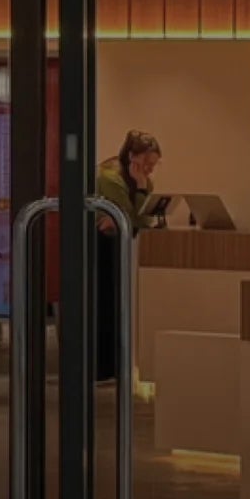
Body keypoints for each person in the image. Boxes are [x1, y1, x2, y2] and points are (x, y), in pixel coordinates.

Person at [94, 129, 162, 382]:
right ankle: (102, 366)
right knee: (105, 304)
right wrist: (141, 192)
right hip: (101, 245)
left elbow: (139, 221)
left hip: (121, 244)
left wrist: (142, 189)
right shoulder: (110, 178)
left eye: (154, 164)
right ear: (132, 157)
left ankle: (117, 364)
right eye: (146, 163)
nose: (150, 170)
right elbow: (128, 219)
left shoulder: (142, 181)